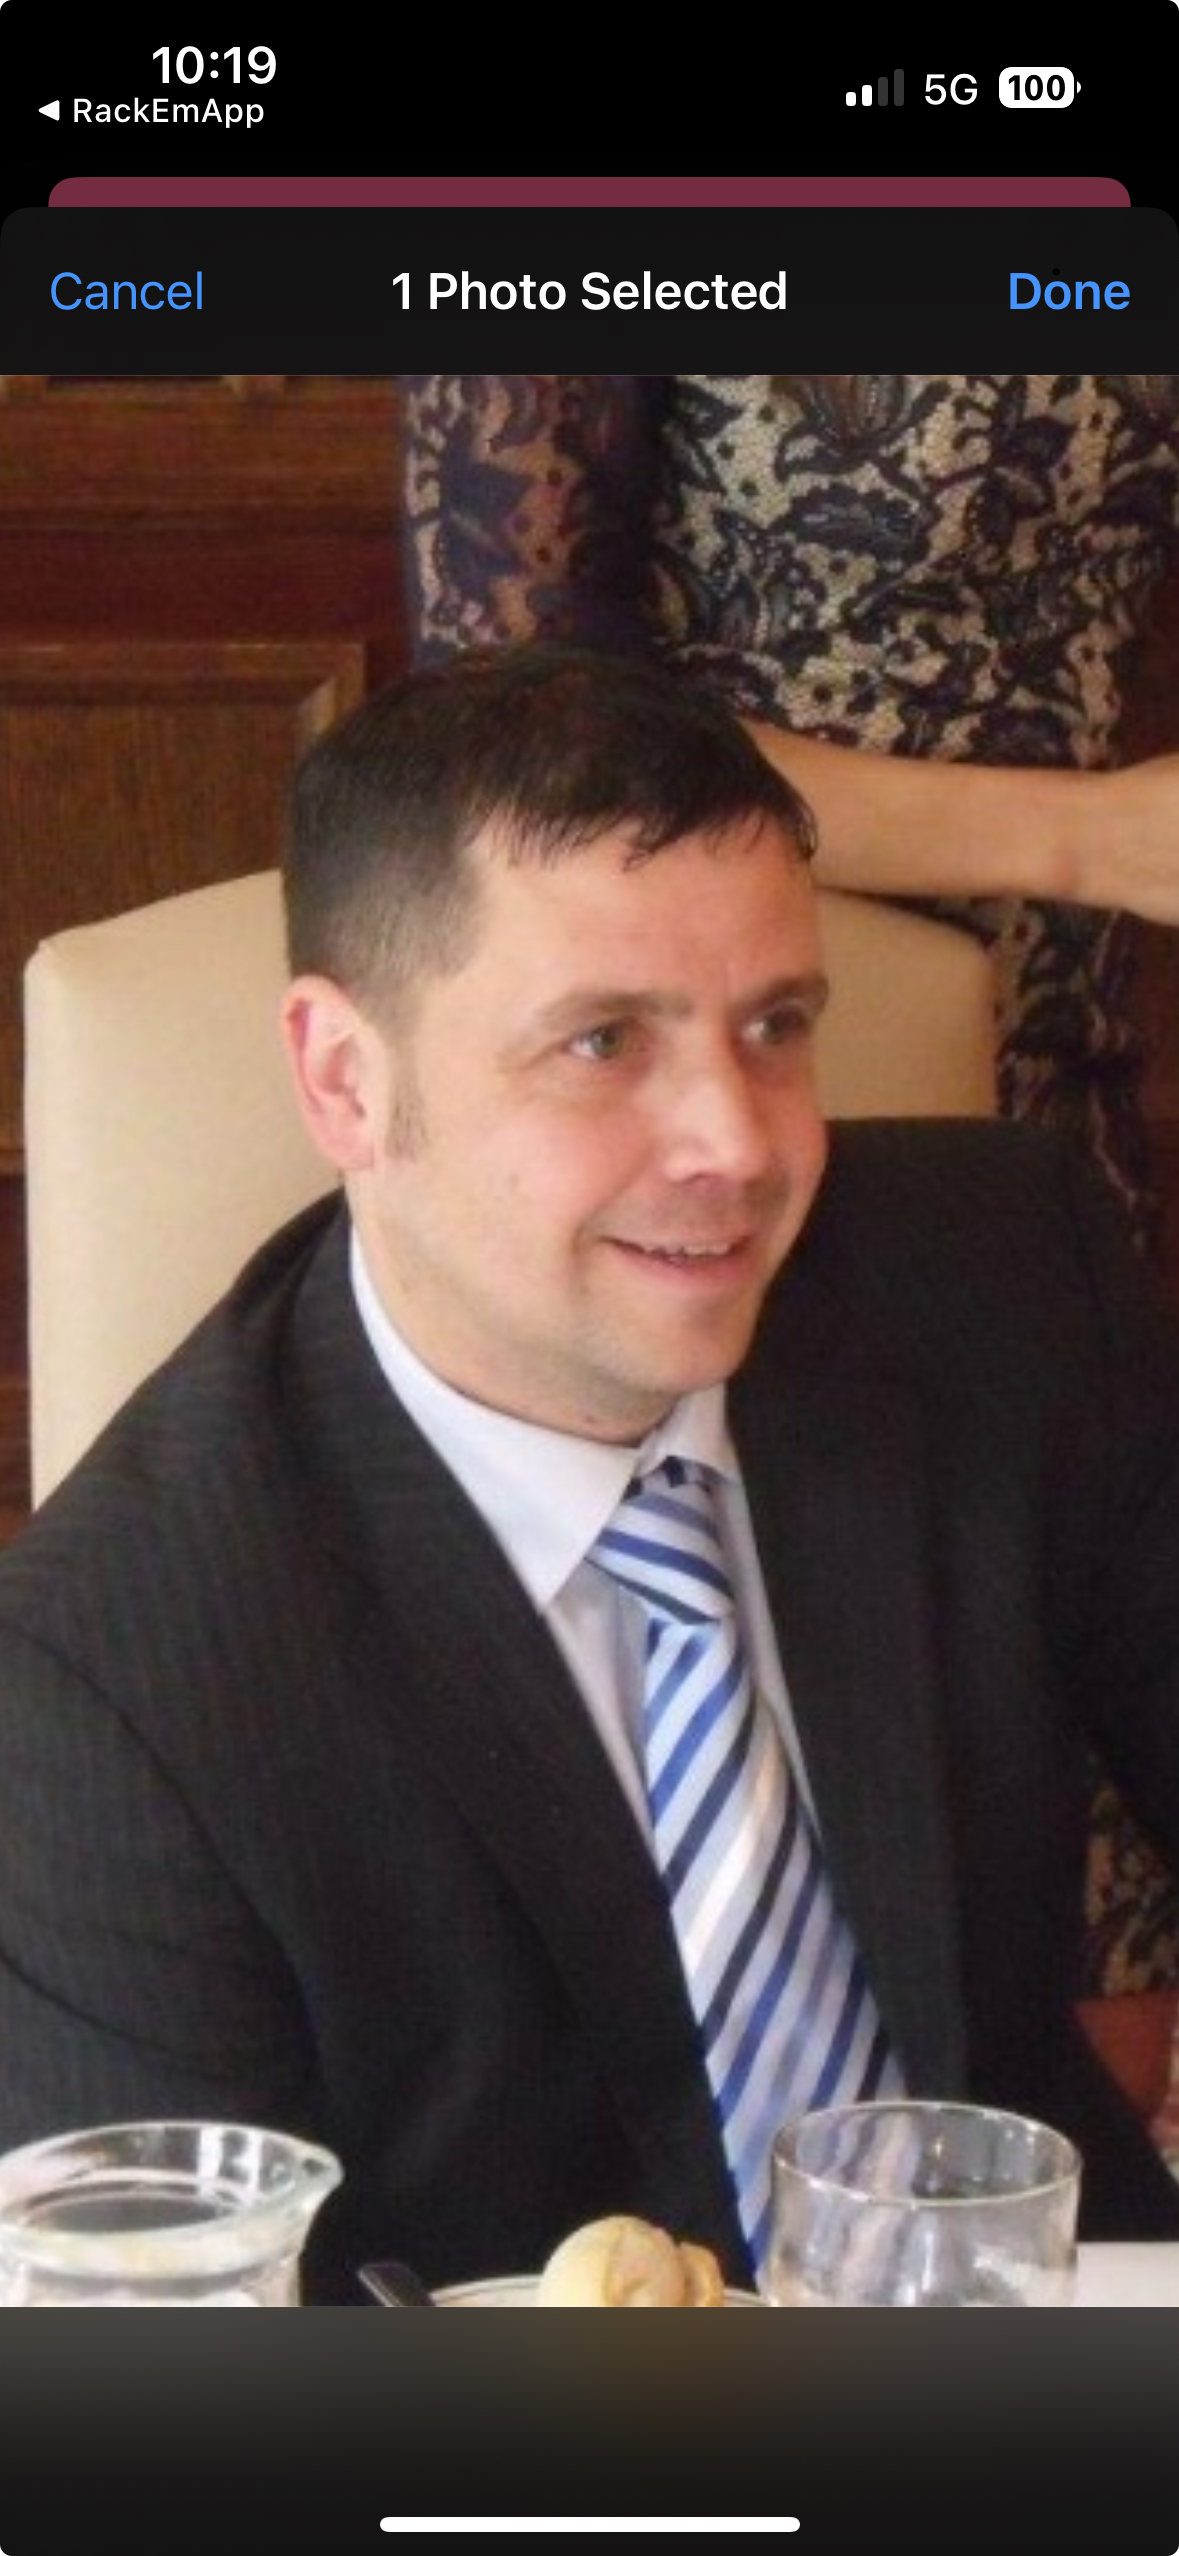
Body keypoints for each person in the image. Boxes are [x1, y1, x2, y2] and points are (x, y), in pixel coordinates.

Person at [3, 642, 1179, 2305]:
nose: (740, 1143)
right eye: (603, 1042)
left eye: (777, 1026)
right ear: (346, 1078)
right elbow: (166, 2331)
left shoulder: (1000, 1276)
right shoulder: (103, 1678)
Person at [399, 371, 1179, 2101]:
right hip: (693, 1064)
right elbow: (507, 739)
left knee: (1074, 1978)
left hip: (1060, 1084)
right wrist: (1086, 835)